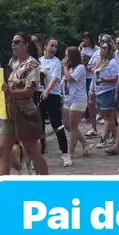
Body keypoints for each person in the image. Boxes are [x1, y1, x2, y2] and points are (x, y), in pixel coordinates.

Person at [0, 32, 48, 176]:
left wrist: (10, 92)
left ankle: (46, 182)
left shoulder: (32, 64)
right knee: (3, 149)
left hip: (24, 111)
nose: (13, 45)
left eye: (16, 42)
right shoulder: (15, 63)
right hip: (11, 110)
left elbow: (29, 91)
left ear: (25, 45)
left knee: (32, 150)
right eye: (12, 42)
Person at [39, 37, 70, 165]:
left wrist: (47, 91)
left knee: (56, 124)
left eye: (56, 46)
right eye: (51, 46)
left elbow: (55, 78)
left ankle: (65, 153)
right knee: (39, 125)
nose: (53, 49)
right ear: (45, 46)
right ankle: (39, 155)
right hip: (39, 94)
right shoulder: (38, 61)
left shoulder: (56, 62)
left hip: (53, 95)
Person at [62, 46, 93, 165]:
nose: (65, 58)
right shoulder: (69, 68)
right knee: (67, 125)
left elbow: (70, 79)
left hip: (78, 100)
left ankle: (70, 152)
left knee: (73, 126)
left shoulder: (80, 68)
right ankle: (85, 143)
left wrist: (65, 67)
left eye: (67, 56)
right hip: (68, 99)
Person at [90, 40, 119, 149]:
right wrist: (92, 90)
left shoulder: (113, 62)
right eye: (101, 48)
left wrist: (104, 80)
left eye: (104, 48)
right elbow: (94, 77)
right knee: (105, 115)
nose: (101, 50)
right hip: (99, 91)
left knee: (108, 116)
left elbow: (116, 77)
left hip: (108, 91)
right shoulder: (100, 61)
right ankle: (117, 135)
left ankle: (104, 138)